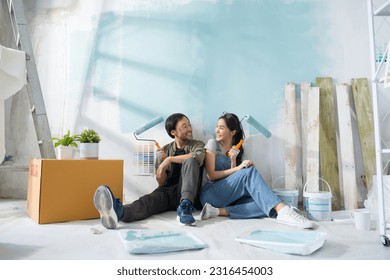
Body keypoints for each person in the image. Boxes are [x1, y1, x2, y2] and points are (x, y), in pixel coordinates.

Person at [199, 112, 314, 229]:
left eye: (221, 127)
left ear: (233, 132)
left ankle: (216, 211)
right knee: (250, 172)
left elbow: (231, 179)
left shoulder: (236, 150)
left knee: (265, 203)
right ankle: (284, 211)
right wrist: (239, 168)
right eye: (217, 126)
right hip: (212, 194)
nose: (217, 130)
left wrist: (233, 159)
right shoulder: (212, 143)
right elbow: (211, 175)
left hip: (228, 195)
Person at [93, 113, 205, 229]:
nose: (190, 129)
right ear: (173, 132)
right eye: (184, 126)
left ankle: (185, 209)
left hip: (187, 194)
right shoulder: (165, 149)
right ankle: (119, 212)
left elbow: (198, 157)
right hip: (167, 193)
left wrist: (169, 159)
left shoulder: (197, 144)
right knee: (146, 201)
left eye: (189, 125)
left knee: (190, 161)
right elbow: (162, 183)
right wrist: (162, 163)